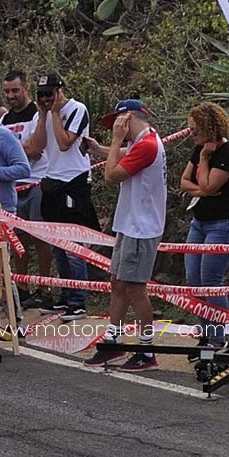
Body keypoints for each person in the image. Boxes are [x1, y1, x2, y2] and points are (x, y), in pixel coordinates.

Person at [83, 100, 166, 372]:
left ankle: (146, 349)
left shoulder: (148, 145)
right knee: (118, 282)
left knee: (135, 288)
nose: (116, 130)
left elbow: (111, 175)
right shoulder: (142, 141)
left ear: (129, 119)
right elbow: (123, 154)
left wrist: (116, 140)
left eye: (119, 124)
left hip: (141, 228)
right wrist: (102, 149)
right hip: (130, 224)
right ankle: (114, 340)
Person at [29, 73, 97, 321]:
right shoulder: (43, 114)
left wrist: (56, 113)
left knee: (73, 246)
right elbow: (37, 147)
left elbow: (65, 142)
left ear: (60, 91)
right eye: (41, 95)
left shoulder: (77, 109)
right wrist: (44, 115)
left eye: (49, 94)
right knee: (57, 245)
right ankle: (66, 294)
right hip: (52, 180)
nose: (46, 99)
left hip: (74, 181)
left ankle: (79, 299)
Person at [181, 102, 229, 348]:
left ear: (209, 128)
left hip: (223, 224)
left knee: (211, 281)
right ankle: (206, 333)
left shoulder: (227, 155)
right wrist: (204, 191)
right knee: (193, 280)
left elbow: (209, 185)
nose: (192, 133)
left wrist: (206, 159)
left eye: (195, 129)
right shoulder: (198, 149)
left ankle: (217, 338)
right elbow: (186, 182)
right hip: (200, 222)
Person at [1, 70, 52, 309]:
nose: (11, 96)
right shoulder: (4, 120)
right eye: (7, 91)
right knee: (18, 238)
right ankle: (22, 288)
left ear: (25, 88)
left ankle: (45, 287)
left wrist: (14, 153)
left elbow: (35, 149)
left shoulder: (36, 115)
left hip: (38, 180)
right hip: (14, 185)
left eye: (15, 90)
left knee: (42, 238)